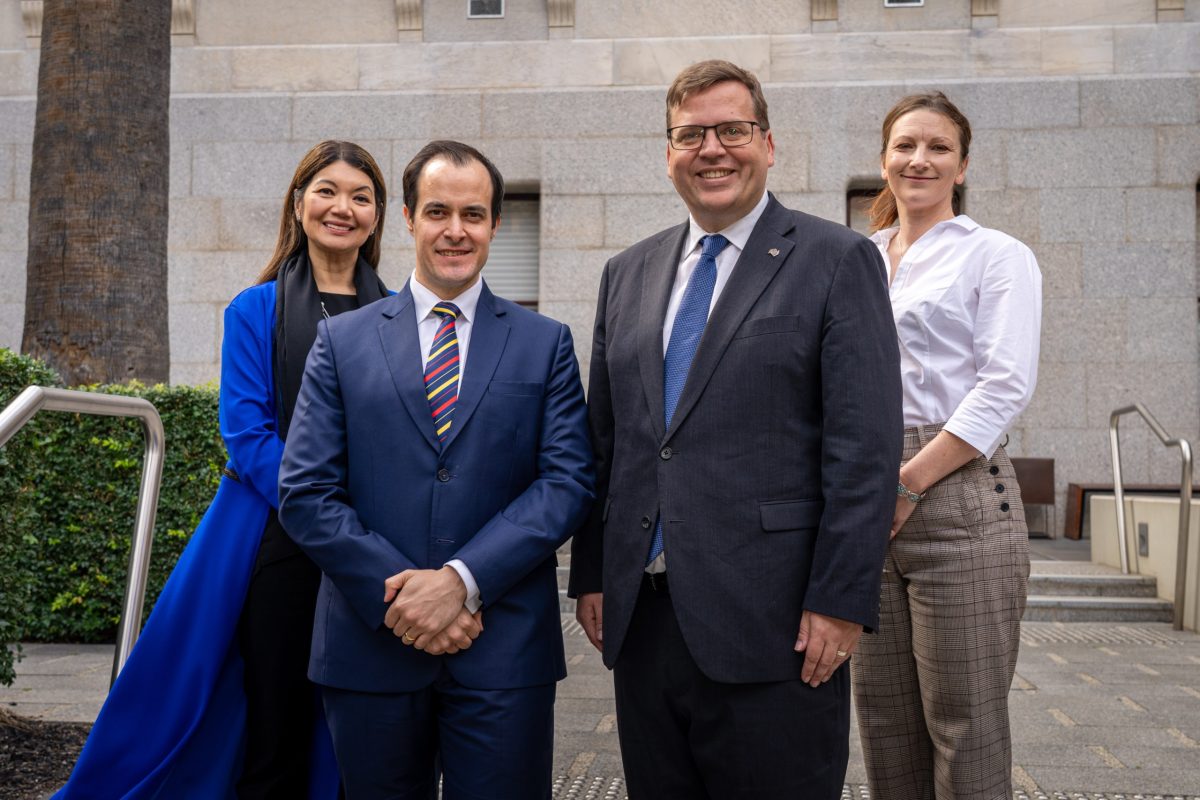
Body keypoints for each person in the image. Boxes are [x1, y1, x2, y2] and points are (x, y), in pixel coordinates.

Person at [567, 59, 903, 799]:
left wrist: (841, 600)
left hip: (778, 625)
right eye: (691, 134)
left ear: (769, 143)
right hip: (645, 621)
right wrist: (592, 573)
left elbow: (865, 451)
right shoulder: (628, 272)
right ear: (668, 153)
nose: (712, 148)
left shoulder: (836, 259)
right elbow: (610, 438)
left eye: (732, 129)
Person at [54, 140, 391, 799]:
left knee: (362, 728)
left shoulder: (400, 314)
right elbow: (247, 437)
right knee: (275, 723)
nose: (342, 207)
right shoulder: (254, 309)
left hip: (374, 544)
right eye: (327, 191)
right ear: (298, 204)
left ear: (379, 216)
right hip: (276, 537)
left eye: (361, 196)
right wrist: (326, 514)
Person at [277, 139, 594, 799]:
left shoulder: (546, 343)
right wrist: (402, 596)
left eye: (473, 214)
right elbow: (306, 492)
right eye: (439, 212)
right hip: (370, 647)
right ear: (413, 220)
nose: (456, 231)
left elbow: (566, 483)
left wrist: (460, 582)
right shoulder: (343, 342)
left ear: (495, 225)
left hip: (504, 649)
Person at [851, 91, 1042, 800]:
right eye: (905, 145)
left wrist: (907, 483)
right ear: (884, 161)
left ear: (962, 165)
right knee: (883, 720)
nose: (919, 159)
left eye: (937, 147)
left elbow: (1003, 387)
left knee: (964, 724)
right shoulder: (859, 259)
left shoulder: (996, 255)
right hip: (868, 491)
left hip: (957, 493)